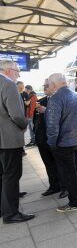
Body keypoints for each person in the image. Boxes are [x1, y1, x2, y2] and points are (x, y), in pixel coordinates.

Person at [0, 59, 35, 224]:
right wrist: (25, 123)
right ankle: (11, 213)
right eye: (16, 70)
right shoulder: (8, 84)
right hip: (8, 140)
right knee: (12, 175)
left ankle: (3, 209)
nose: (19, 74)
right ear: (7, 70)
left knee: (3, 175)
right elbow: (17, 115)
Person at [46, 73, 77, 212]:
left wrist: (51, 143)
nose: (48, 86)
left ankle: (75, 203)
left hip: (63, 143)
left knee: (68, 173)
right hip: (76, 141)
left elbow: (52, 125)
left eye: (49, 84)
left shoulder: (55, 99)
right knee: (74, 170)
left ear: (54, 84)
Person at [34, 78, 66, 198]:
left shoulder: (60, 100)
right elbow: (35, 119)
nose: (44, 88)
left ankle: (64, 187)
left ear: (53, 86)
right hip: (42, 138)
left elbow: (63, 116)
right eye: (44, 86)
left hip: (56, 138)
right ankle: (54, 186)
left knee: (60, 164)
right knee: (48, 164)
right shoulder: (40, 100)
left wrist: (46, 111)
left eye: (47, 85)